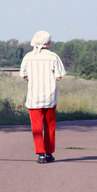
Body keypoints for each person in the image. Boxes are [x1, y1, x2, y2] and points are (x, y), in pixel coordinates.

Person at [20, 30, 66, 164]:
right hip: (50, 97)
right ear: (47, 43)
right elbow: (59, 77)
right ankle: (49, 153)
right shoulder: (53, 57)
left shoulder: (28, 57)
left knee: (37, 126)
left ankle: (40, 154)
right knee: (50, 125)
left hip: (34, 97)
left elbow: (25, 76)